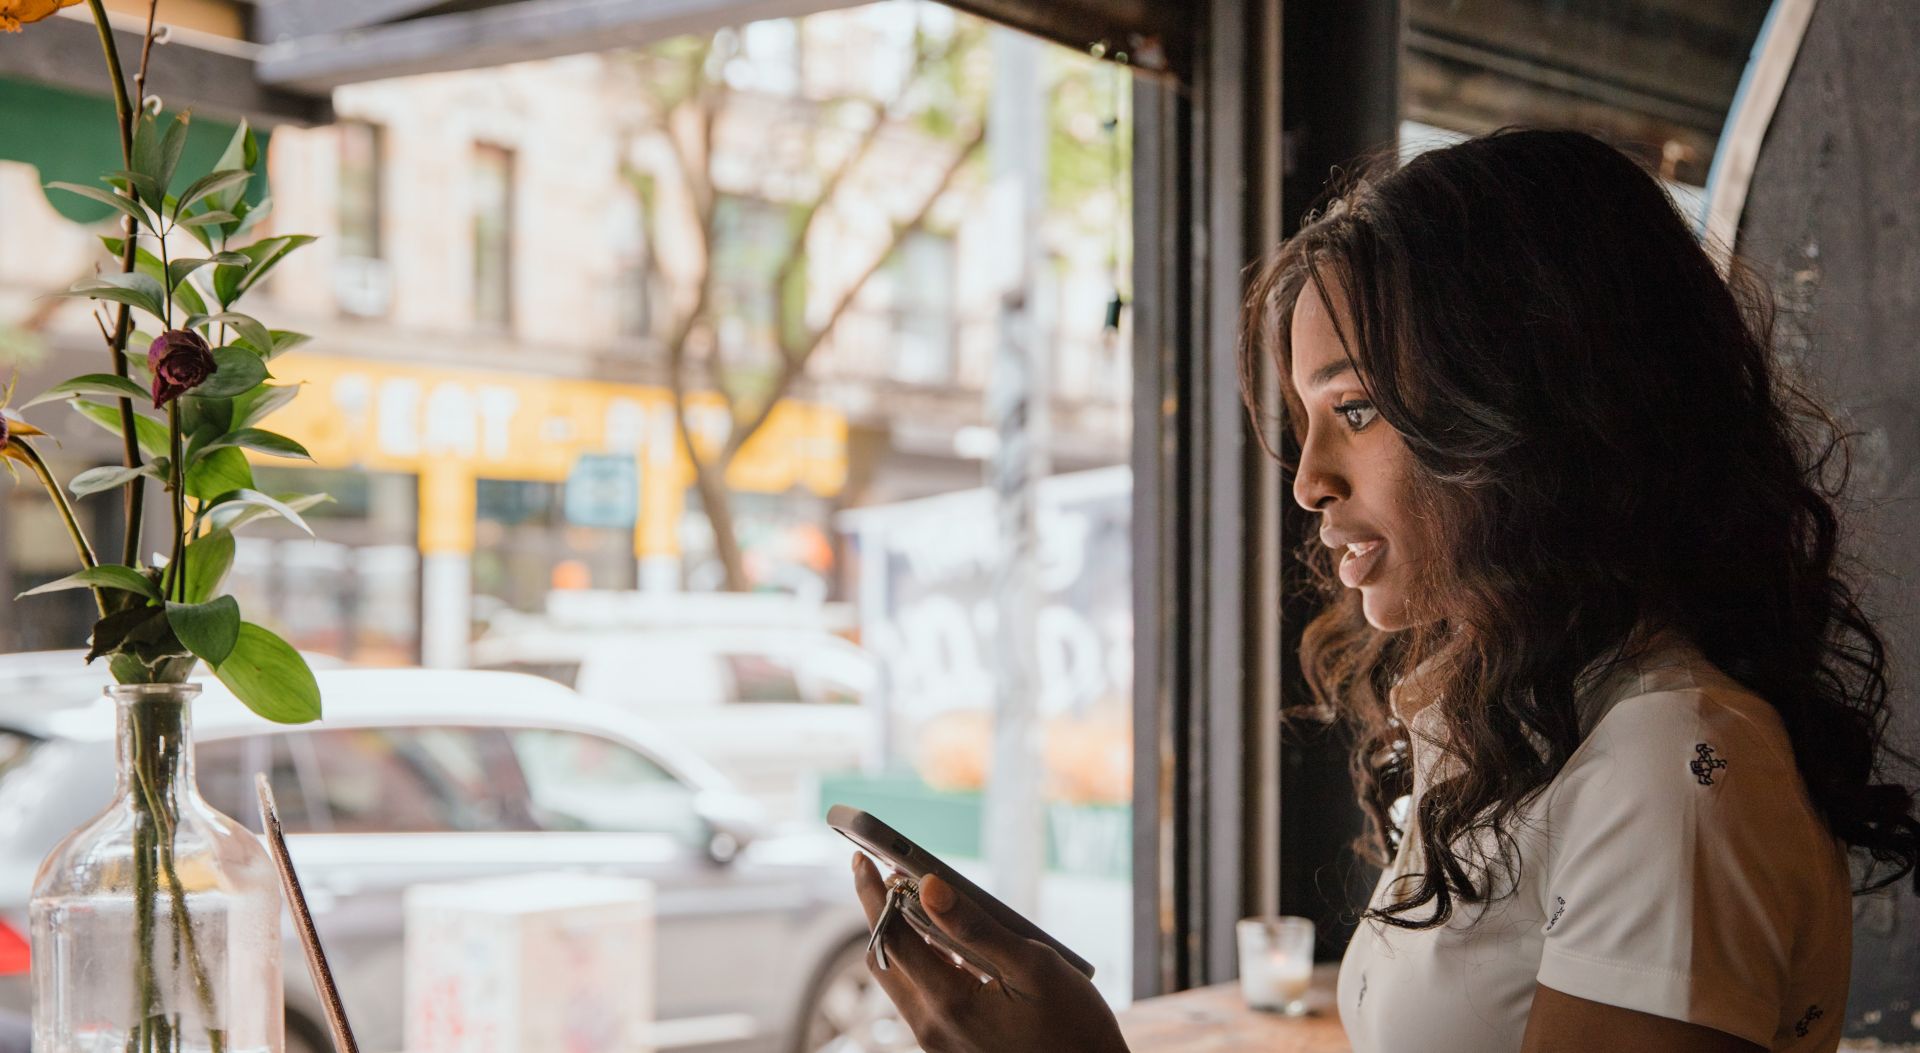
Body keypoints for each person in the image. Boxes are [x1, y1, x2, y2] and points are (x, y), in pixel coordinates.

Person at [847, 127, 1920, 1053]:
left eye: (1355, 410)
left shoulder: (1668, 766)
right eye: (1306, 423)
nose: (1308, 480)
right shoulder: (1530, 730)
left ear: (1538, 412)